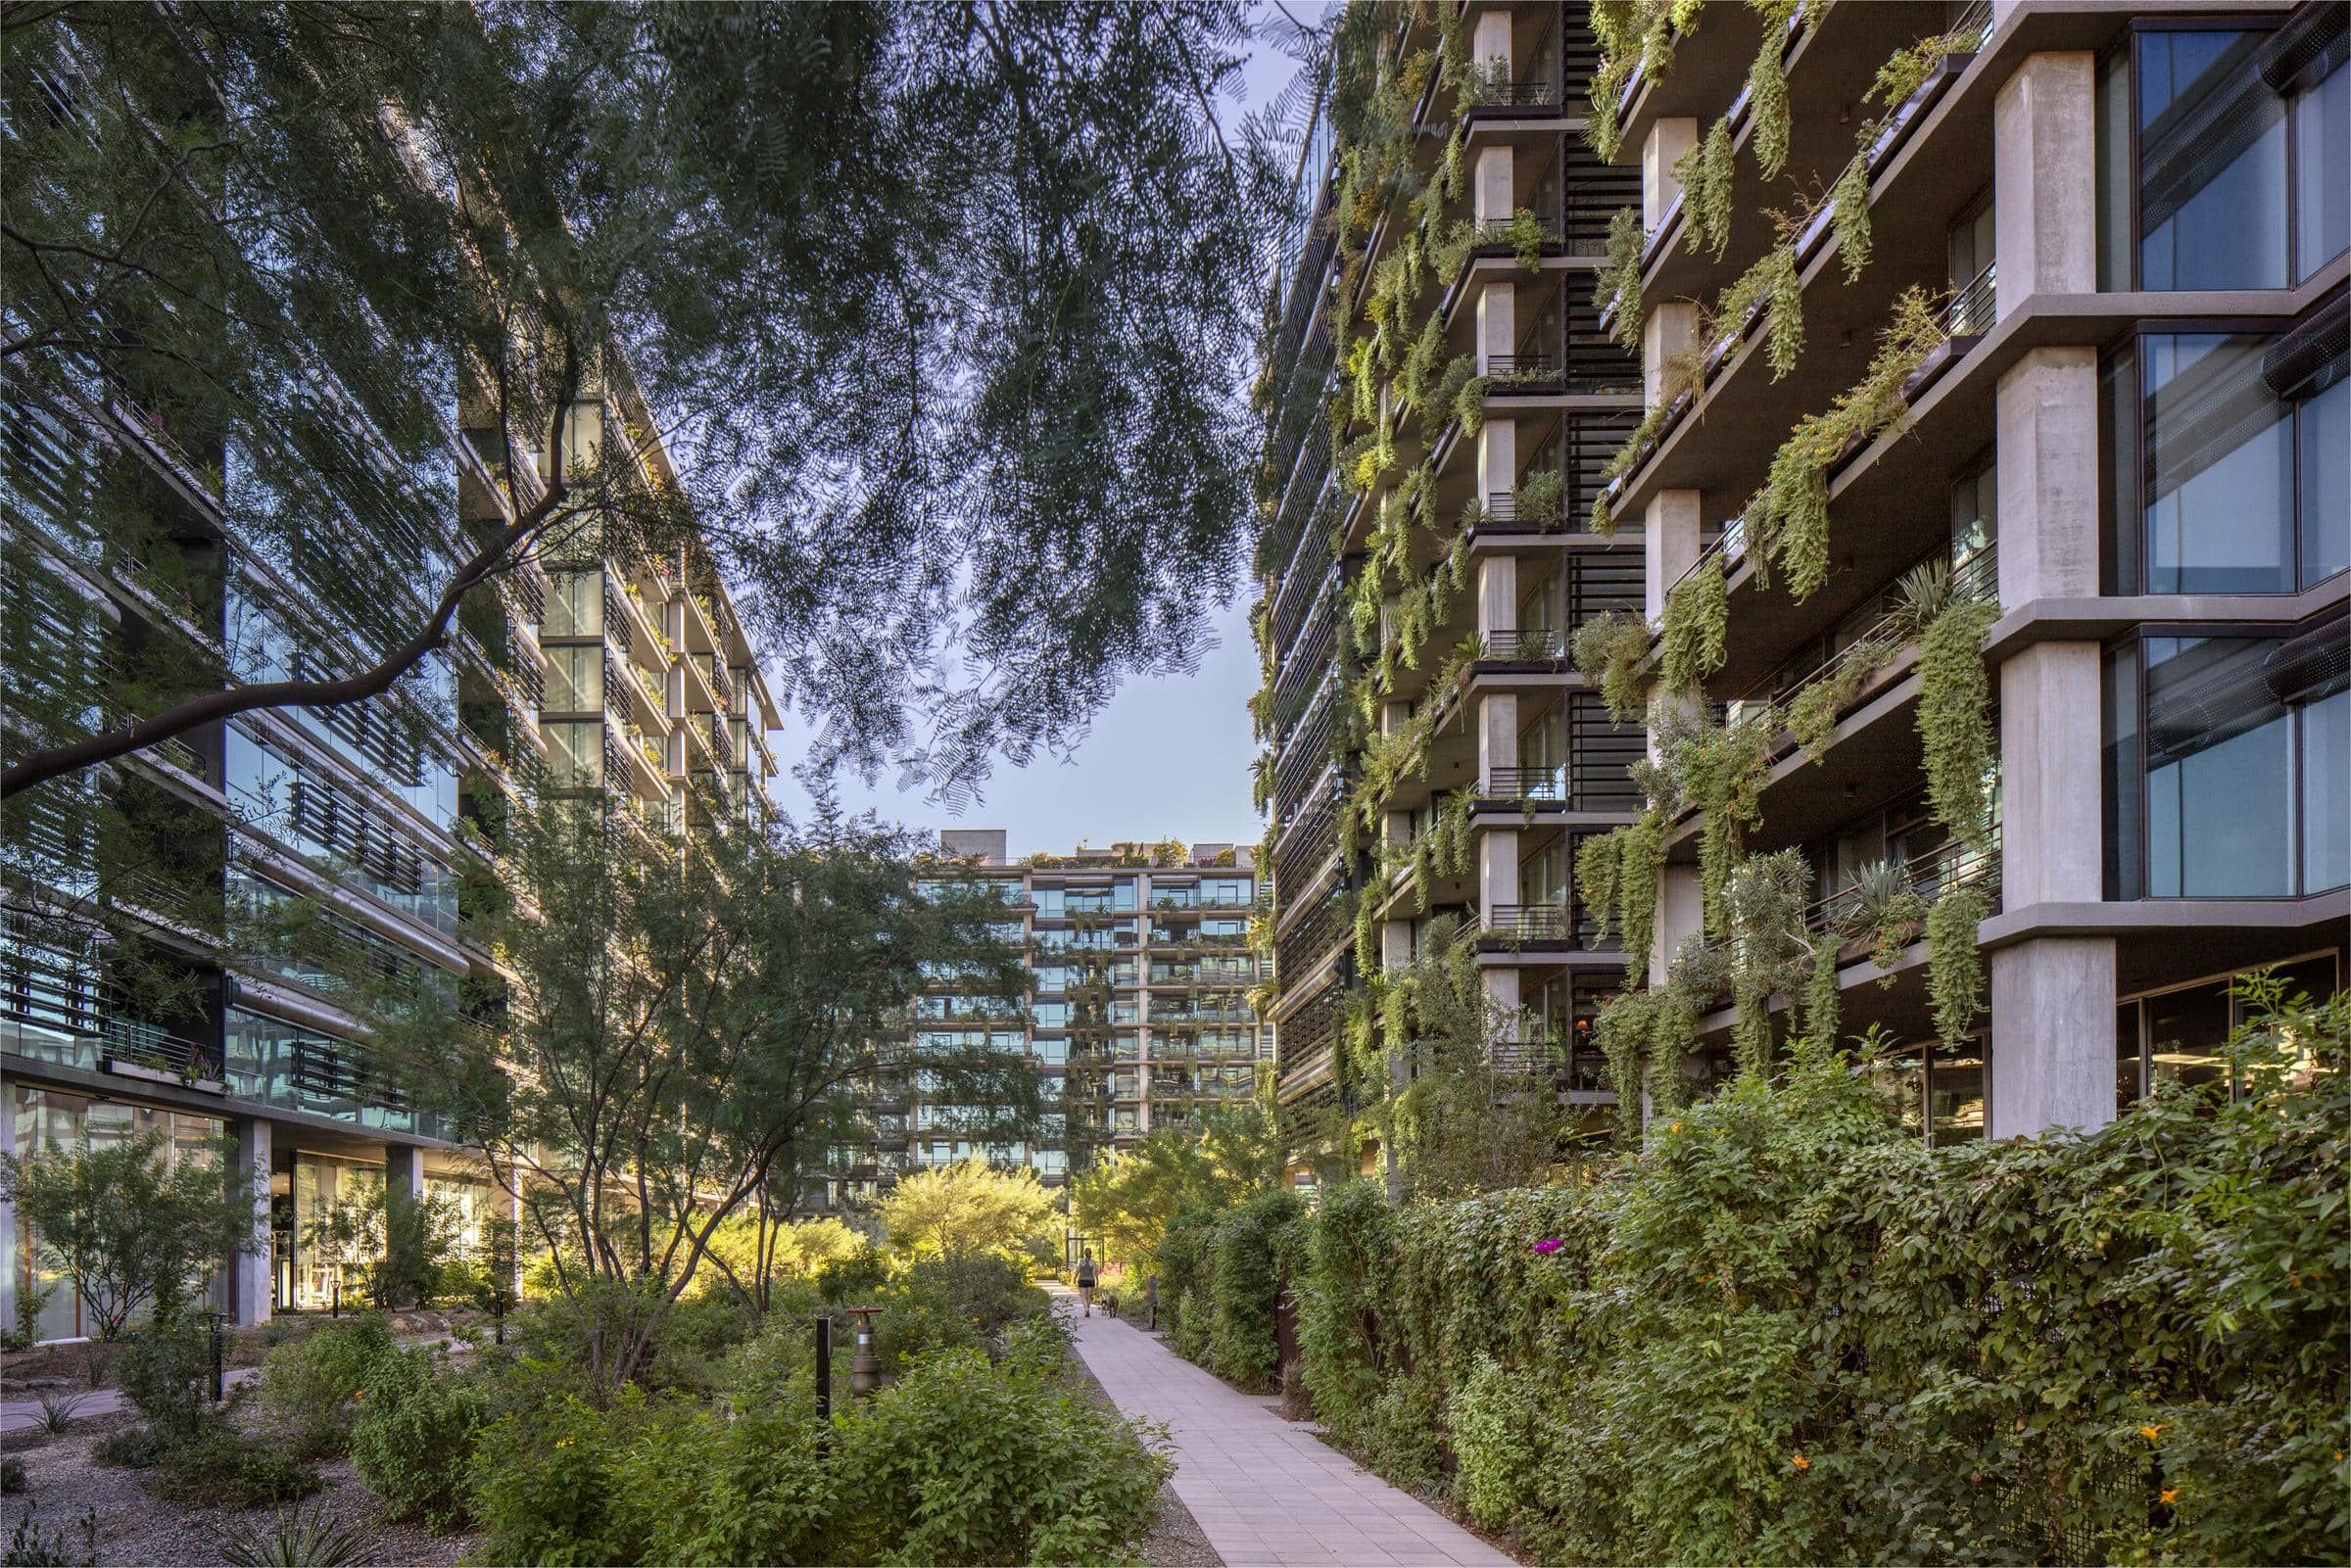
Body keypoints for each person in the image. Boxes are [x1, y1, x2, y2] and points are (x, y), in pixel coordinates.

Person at [1076, 1248, 1098, 1316]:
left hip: (1082, 1280)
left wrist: (1074, 1278)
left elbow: (1078, 1270)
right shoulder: (1093, 1262)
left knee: (1083, 1297)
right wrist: (1097, 1280)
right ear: (1091, 1254)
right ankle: (1087, 1310)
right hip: (1090, 1281)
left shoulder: (1081, 1261)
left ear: (1084, 1254)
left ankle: (1086, 1309)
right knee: (1088, 1297)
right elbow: (1095, 1273)